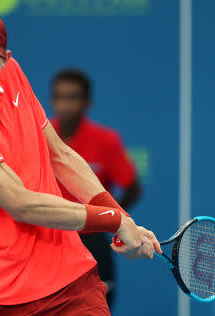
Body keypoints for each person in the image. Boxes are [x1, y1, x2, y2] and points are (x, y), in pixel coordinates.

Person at [0, 10, 161, 316]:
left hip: (74, 288)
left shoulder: (13, 76)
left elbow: (60, 155)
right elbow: (21, 204)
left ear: (6, 60)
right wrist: (114, 220)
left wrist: (122, 218)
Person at [50, 68, 142, 306]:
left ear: (86, 102)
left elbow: (133, 187)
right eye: (59, 97)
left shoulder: (106, 141)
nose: (65, 104)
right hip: (50, 241)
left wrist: (115, 219)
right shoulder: (39, 137)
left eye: (72, 97)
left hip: (92, 242)